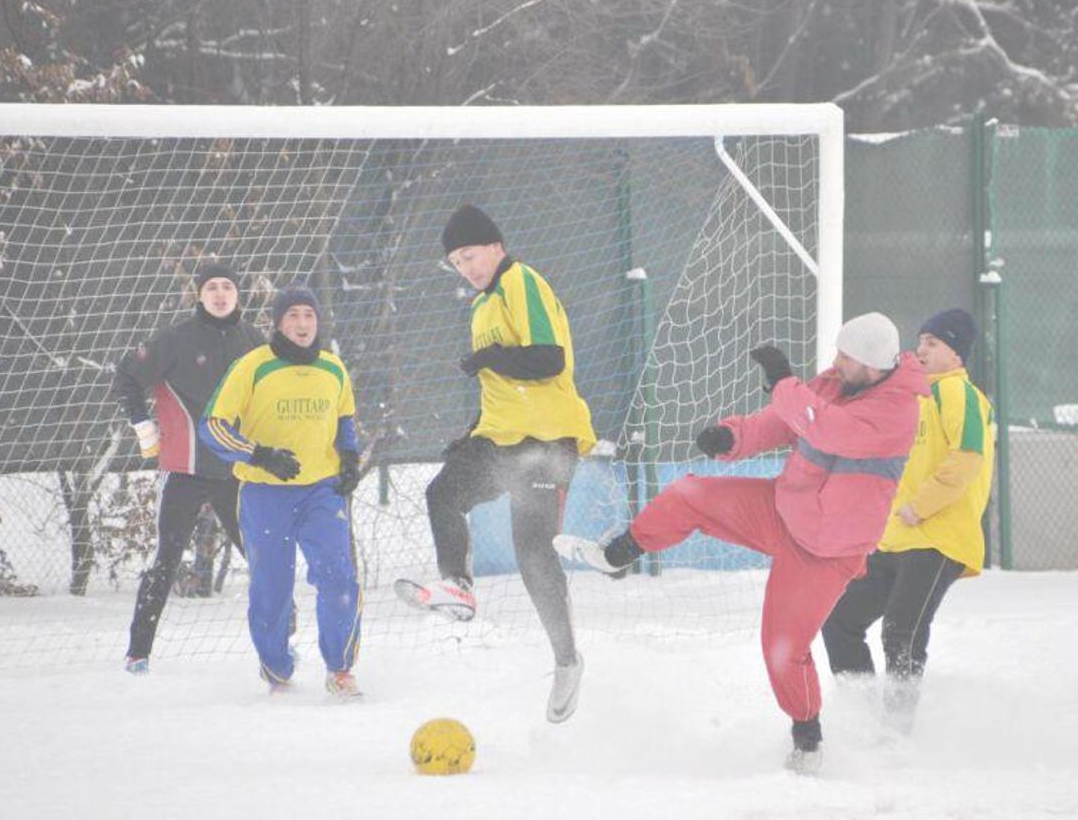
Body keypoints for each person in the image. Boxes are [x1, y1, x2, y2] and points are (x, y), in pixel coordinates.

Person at [555, 312, 929, 772]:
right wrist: (733, 436)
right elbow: (783, 421)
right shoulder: (836, 382)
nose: (835, 361)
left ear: (873, 365)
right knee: (689, 494)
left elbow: (824, 427)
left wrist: (783, 382)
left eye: (845, 356)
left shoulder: (897, 410)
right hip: (784, 509)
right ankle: (618, 555)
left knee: (783, 650)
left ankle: (808, 741)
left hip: (825, 551)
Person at [395, 205, 597, 724]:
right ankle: (457, 588)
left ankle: (567, 659)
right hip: (501, 438)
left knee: (532, 554)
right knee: (443, 493)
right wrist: (472, 431)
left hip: (547, 441)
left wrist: (487, 359)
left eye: (471, 254)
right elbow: (503, 385)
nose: (466, 266)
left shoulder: (520, 281)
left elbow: (547, 359)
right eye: (457, 261)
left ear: (497, 248)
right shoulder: (482, 307)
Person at [822, 309, 993, 732]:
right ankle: (862, 720)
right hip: (895, 539)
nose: (921, 349)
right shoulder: (913, 398)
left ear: (957, 354)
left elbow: (968, 456)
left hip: (939, 537)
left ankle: (898, 733)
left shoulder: (959, 393)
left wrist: (921, 506)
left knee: (902, 630)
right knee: (840, 622)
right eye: (921, 341)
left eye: (933, 343)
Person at [199, 285, 364, 699]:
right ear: (277, 322)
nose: (302, 324)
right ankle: (276, 667)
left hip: (321, 493)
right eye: (293, 316)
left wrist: (349, 459)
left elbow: (345, 420)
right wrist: (258, 454)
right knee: (271, 589)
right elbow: (213, 425)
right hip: (264, 494)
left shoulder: (333, 369)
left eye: (309, 315)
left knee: (339, 578)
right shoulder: (252, 366)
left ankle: (340, 668)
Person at [115, 263, 263, 674]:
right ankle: (137, 652)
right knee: (165, 560)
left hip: (238, 472)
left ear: (238, 293)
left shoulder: (255, 341)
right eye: (211, 287)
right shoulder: (176, 339)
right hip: (185, 469)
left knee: (263, 557)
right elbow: (126, 375)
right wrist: (143, 426)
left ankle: (281, 642)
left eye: (227, 286)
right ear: (199, 294)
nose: (220, 293)